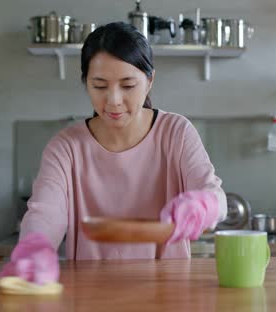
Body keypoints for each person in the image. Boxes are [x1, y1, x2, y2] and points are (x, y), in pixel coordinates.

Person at [18, 22, 227, 260]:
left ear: (150, 81)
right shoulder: (66, 147)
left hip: (170, 288)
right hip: (90, 290)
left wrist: (205, 205)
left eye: (128, 86)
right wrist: (33, 249)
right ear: (86, 82)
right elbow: (45, 214)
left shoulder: (176, 132)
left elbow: (214, 194)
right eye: (99, 86)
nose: (114, 100)